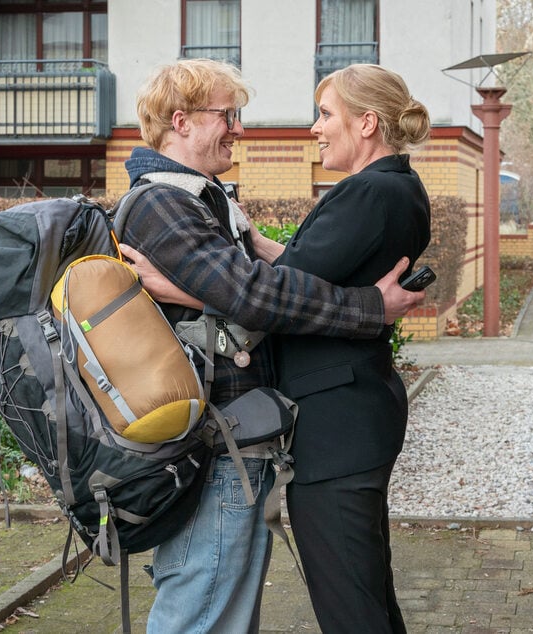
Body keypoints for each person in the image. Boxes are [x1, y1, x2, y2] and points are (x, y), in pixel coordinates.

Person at [115, 58, 425, 634]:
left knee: (225, 615)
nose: (238, 128)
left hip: (241, 442)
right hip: (210, 449)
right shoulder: (164, 203)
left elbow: (254, 290)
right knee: (201, 613)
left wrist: (210, 272)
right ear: (180, 121)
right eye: (227, 115)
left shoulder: (206, 201)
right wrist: (369, 308)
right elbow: (255, 297)